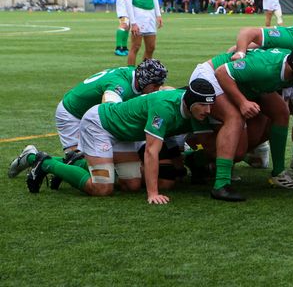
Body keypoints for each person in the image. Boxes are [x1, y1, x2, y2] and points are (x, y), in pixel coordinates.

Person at [12, 80, 216, 203]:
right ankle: (42, 160)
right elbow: (151, 151)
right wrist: (153, 193)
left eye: (210, 106)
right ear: (189, 102)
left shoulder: (194, 107)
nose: (207, 111)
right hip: (100, 125)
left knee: (132, 185)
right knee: (102, 188)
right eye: (202, 106)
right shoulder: (164, 107)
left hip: (123, 135)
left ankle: (75, 162)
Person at [211, 44, 293, 197]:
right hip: (213, 76)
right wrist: (242, 102)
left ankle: (278, 174)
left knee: (281, 113)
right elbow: (222, 72)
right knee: (235, 126)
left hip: (242, 81)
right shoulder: (266, 68)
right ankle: (220, 183)